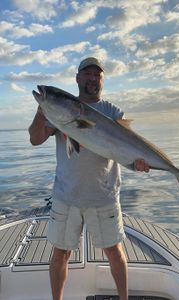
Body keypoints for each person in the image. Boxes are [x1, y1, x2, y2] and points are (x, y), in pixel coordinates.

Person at [29, 57, 150, 300]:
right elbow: (35, 139)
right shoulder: (59, 112)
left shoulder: (112, 112)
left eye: (97, 75)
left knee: (114, 251)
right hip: (66, 194)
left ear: (102, 80)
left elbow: (126, 150)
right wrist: (43, 109)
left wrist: (138, 163)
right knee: (60, 254)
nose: (92, 79)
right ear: (78, 78)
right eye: (87, 74)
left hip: (103, 195)